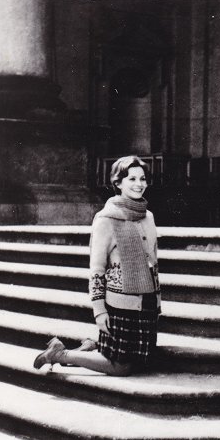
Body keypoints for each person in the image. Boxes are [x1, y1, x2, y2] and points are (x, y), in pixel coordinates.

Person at [33, 155, 160, 376]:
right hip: (121, 305)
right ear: (118, 183)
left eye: (143, 179)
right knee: (121, 367)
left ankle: (92, 346)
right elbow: (97, 270)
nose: (139, 184)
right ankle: (60, 354)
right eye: (132, 179)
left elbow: (153, 264)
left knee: (143, 361)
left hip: (147, 302)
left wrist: (156, 303)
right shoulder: (106, 219)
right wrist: (99, 311)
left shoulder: (148, 216)